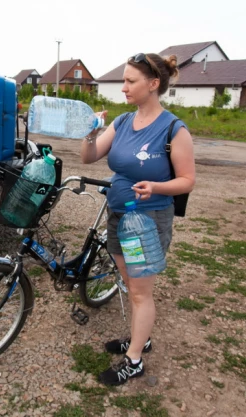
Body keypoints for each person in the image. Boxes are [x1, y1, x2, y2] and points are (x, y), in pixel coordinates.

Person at [80, 53, 196, 386]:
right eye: (124, 81)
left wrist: (157, 186)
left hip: (147, 219)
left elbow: (187, 180)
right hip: (118, 215)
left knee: (141, 293)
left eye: (131, 81)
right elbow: (89, 158)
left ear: (153, 84)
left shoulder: (174, 129)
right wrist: (90, 132)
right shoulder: (122, 122)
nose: (124, 88)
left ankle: (134, 360)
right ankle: (139, 339)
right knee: (131, 287)